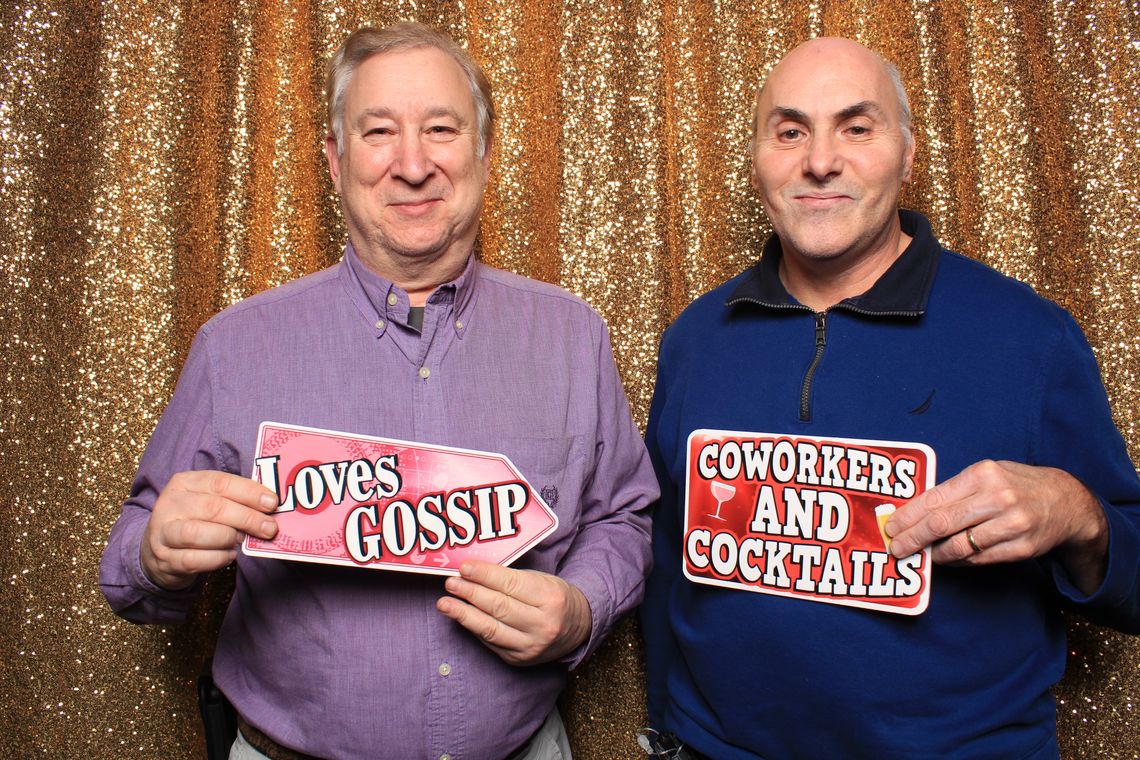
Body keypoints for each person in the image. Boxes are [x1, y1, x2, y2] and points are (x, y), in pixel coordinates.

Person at [100, 23, 657, 760]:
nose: (413, 163)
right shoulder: (235, 347)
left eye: (441, 129)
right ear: (335, 162)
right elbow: (130, 570)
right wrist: (157, 554)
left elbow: (623, 516)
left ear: (485, 155)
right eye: (379, 132)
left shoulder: (572, 336)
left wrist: (582, 609)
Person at [641, 37, 1140, 759]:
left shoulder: (1030, 338)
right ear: (757, 160)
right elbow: (665, 559)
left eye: (857, 127)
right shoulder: (696, 337)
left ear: (908, 153)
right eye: (790, 131)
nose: (819, 160)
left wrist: (1077, 512)